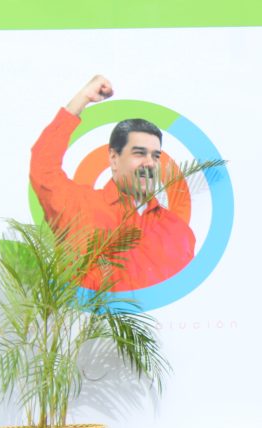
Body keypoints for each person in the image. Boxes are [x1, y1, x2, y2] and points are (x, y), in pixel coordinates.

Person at [30, 75, 195, 292]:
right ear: (114, 158)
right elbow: (43, 167)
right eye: (139, 153)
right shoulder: (78, 206)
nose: (150, 163)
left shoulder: (178, 232)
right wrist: (82, 99)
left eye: (155, 156)